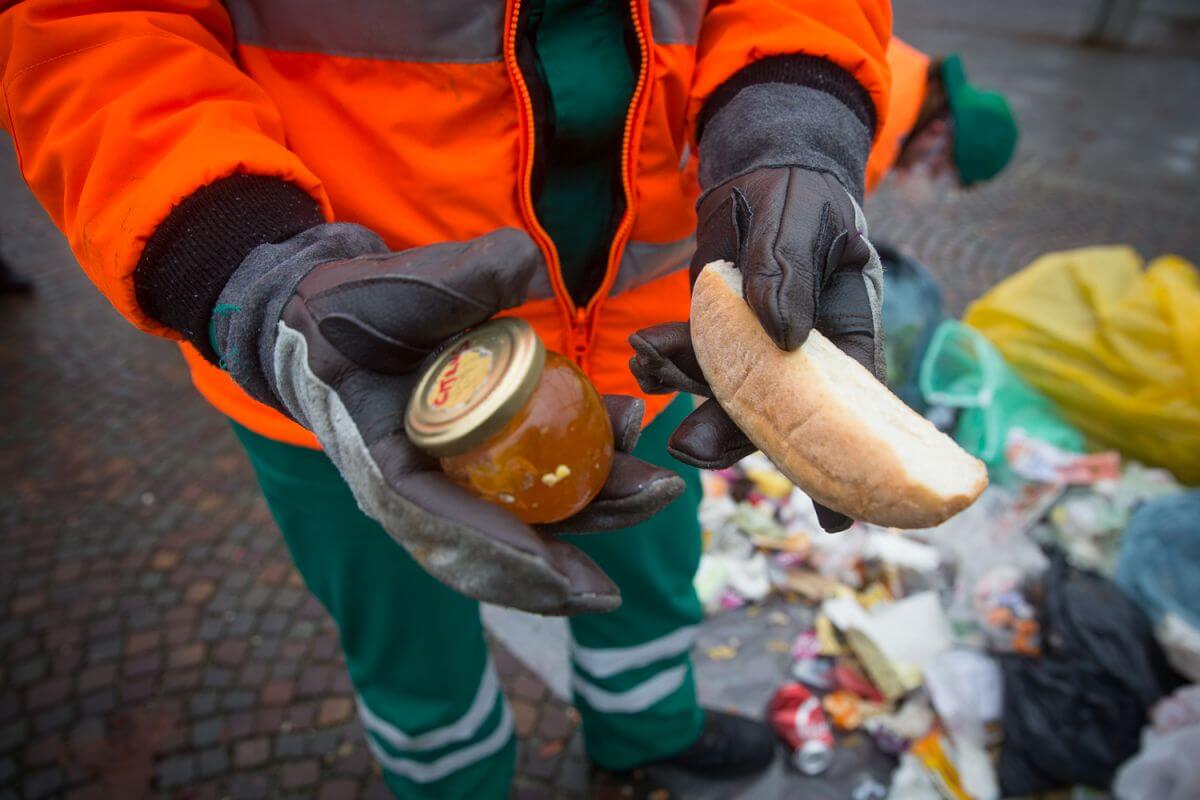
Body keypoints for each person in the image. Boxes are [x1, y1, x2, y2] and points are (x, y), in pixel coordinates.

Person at [1, 1, 892, 796]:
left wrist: (795, 122)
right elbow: (89, 28)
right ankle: (451, 783)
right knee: (408, 639)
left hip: (650, 341)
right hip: (342, 355)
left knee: (651, 572)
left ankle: (648, 731)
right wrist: (246, 269)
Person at [866, 38, 1019, 194]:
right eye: (941, 166)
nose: (933, 175)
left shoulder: (909, 64)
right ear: (937, 130)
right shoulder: (873, 147)